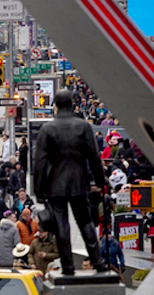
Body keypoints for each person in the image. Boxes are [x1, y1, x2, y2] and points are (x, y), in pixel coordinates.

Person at [34, 90, 108, 275]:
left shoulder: (48, 129)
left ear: (55, 105)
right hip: (79, 182)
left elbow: (40, 162)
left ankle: (67, 266)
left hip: (55, 184)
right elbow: (94, 157)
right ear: (72, 104)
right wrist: (100, 181)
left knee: (61, 226)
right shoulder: (83, 126)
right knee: (85, 222)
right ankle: (98, 262)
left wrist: (38, 189)